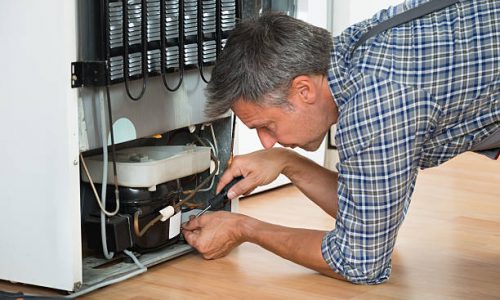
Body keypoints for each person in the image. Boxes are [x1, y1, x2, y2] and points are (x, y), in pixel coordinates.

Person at [182, 0, 499, 284]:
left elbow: (360, 261)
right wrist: (285, 162)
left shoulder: (373, 106)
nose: (265, 142)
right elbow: (373, 210)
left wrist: (245, 229)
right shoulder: (351, 53)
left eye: (267, 126)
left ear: (303, 90)